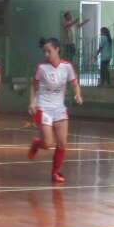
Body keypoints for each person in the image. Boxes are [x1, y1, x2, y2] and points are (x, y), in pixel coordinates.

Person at [28, 38, 84, 184]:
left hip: (59, 109)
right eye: (45, 51)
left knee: (62, 143)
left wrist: (78, 94)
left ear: (57, 49)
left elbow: (75, 83)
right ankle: (37, 143)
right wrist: (32, 102)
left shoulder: (67, 67)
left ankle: (55, 172)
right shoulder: (42, 68)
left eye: (49, 51)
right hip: (43, 108)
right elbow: (33, 86)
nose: (46, 54)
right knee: (47, 144)